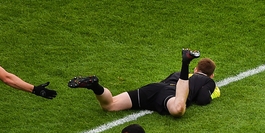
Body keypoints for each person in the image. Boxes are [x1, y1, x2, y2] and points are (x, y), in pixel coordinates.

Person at [68, 50, 220, 117]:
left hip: (153, 89)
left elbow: (165, 83)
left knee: (110, 105)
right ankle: (184, 61)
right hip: (170, 95)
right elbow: (202, 99)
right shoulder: (207, 80)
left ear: (196, 69)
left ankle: (95, 86)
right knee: (178, 110)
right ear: (211, 75)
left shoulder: (176, 75)